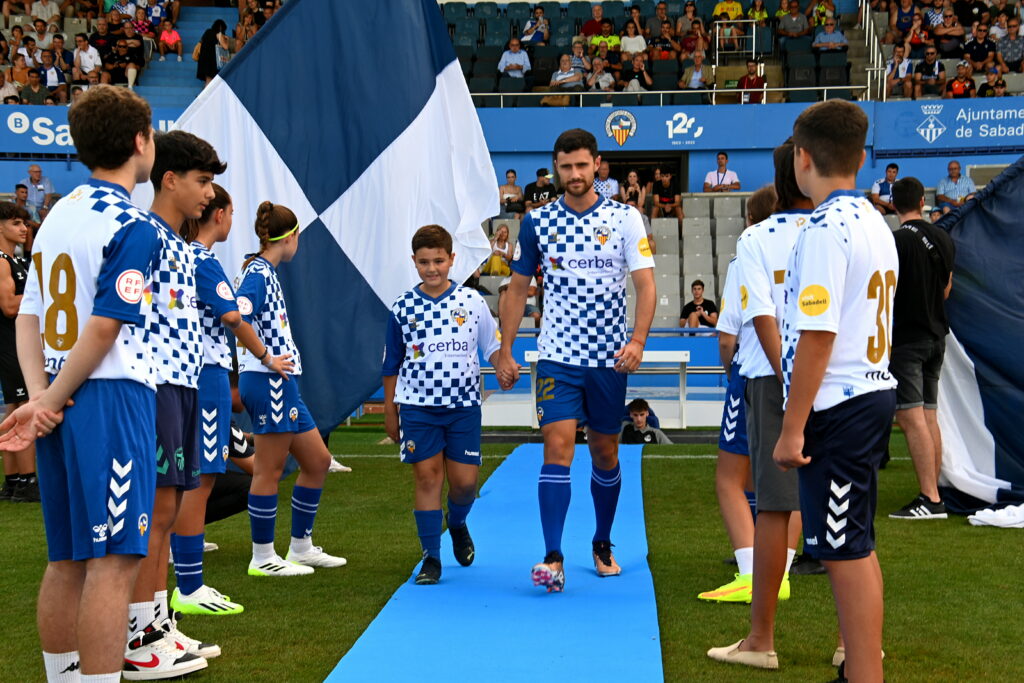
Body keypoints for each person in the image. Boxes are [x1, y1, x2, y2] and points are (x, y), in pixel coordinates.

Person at [0, 85, 207, 682]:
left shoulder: (57, 213)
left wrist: (41, 400)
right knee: (114, 563)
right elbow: (105, 328)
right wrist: (52, 400)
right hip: (111, 397)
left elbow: (30, 317)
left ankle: (61, 676)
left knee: (66, 558)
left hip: (61, 397)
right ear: (142, 143)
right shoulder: (133, 226)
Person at [495, 128, 656, 592]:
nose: (574, 175)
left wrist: (638, 341)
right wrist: (506, 350)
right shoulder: (537, 222)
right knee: (558, 449)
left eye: (582, 166)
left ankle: (602, 542)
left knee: (605, 453)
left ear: (597, 164)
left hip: (608, 359)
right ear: (556, 169)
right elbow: (518, 288)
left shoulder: (625, 219)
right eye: (566, 167)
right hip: (556, 357)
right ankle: (552, 558)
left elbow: (645, 285)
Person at [772, 100, 898, 683]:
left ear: (802, 159)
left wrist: (792, 427)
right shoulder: (876, 218)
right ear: (860, 157)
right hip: (870, 392)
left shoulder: (824, 227)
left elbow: (818, 335)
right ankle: (860, 670)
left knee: (842, 550)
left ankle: (865, 676)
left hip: (839, 403)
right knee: (858, 545)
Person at [707, 141, 813, 669]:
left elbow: (751, 321)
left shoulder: (757, 239)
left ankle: (761, 628)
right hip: (847, 381)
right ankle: (856, 643)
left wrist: (791, 381)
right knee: (842, 503)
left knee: (763, 495)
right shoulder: (859, 227)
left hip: (769, 379)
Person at [126, 130, 225, 673]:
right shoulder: (142, 233)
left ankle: (158, 624)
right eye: (203, 181)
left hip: (182, 384)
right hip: (154, 383)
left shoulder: (179, 244)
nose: (209, 194)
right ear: (170, 179)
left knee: (166, 511)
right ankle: (140, 636)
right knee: (156, 511)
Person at [170, 181, 291, 617]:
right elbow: (233, 316)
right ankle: (189, 584)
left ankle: (185, 577)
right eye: (230, 212)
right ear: (217, 214)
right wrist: (265, 355)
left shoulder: (177, 254)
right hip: (206, 374)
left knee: (187, 478)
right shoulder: (202, 260)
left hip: (183, 372)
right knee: (199, 480)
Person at [382, 225, 501, 585]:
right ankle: (431, 558)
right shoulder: (402, 307)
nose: (431, 268)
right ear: (414, 262)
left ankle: (459, 522)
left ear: (452, 259)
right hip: (418, 407)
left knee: (465, 484)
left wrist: (504, 365)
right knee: (427, 477)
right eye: (423, 262)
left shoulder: (472, 302)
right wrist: (391, 410)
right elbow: (391, 364)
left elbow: (492, 345)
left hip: (463, 406)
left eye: (438, 260)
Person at [235, 201, 346, 577]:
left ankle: (300, 548)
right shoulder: (258, 273)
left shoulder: (264, 270)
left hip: (283, 382)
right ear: (292, 235)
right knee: (270, 468)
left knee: (316, 461)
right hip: (269, 381)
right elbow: (238, 317)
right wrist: (267, 357)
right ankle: (262, 557)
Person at [696, 185, 776, 605]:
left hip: (754, 371)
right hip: (803, 372)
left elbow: (728, 335)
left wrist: (731, 374)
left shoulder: (748, 251)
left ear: (749, 219)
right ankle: (780, 563)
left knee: (731, 476)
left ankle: (752, 572)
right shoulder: (811, 241)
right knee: (788, 474)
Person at [887, 177, 955, 521]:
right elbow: (946, 289)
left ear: (893, 203)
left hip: (907, 338)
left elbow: (885, 290)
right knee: (929, 415)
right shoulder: (943, 236)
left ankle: (930, 497)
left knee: (911, 417)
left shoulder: (896, 241)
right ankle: (935, 491)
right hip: (937, 336)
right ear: (923, 201)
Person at [0, 202, 36, 503]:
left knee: (14, 407)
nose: (24, 229)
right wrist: (40, 293)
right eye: (16, 223)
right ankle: (27, 481)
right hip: (9, 343)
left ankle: (13, 482)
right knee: (23, 405)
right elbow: (9, 306)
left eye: (25, 223)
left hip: (12, 342)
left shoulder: (14, 260)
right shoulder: (1, 261)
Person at [196, 19, 228, 85]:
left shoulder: (207, 32)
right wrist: (226, 39)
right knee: (210, 82)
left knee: (207, 81)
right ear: (221, 28)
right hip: (211, 62)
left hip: (203, 61)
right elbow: (226, 47)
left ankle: (205, 95)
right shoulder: (219, 35)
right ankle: (204, 95)